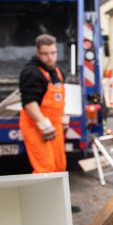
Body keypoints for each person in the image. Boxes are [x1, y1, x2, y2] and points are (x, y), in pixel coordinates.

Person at [19, 34, 70, 174]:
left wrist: (64, 119)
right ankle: (38, 196)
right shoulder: (31, 73)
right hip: (36, 127)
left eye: (53, 53)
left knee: (60, 167)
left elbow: (60, 99)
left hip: (55, 126)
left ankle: (56, 196)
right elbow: (29, 103)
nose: (50, 57)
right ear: (38, 53)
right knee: (45, 168)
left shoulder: (58, 72)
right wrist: (44, 125)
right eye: (45, 54)